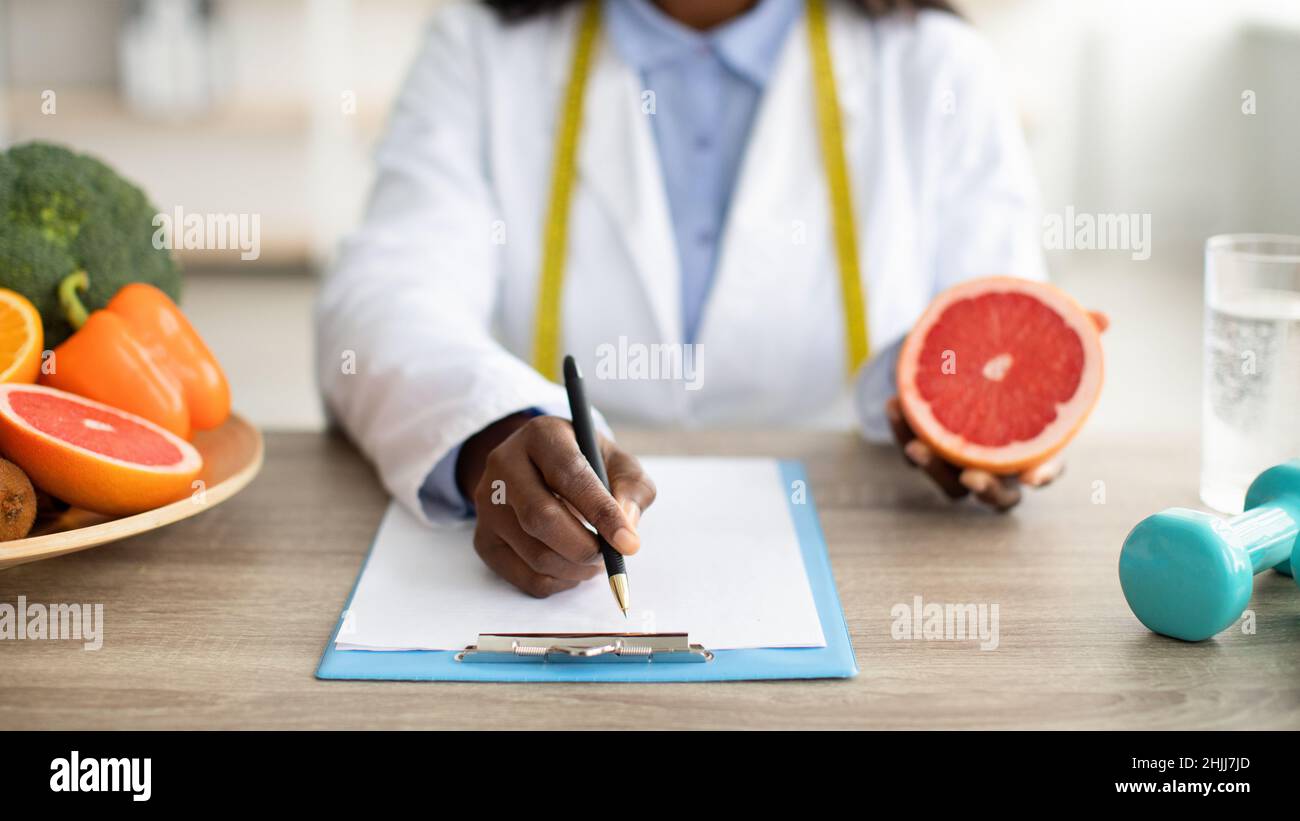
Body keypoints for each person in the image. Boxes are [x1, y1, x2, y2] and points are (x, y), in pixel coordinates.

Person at [316, 0, 1083, 598]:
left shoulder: (938, 65)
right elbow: (384, 293)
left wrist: (985, 434)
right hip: (561, 564)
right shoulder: (478, 50)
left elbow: (1005, 324)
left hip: (869, 551)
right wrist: (495, 428)